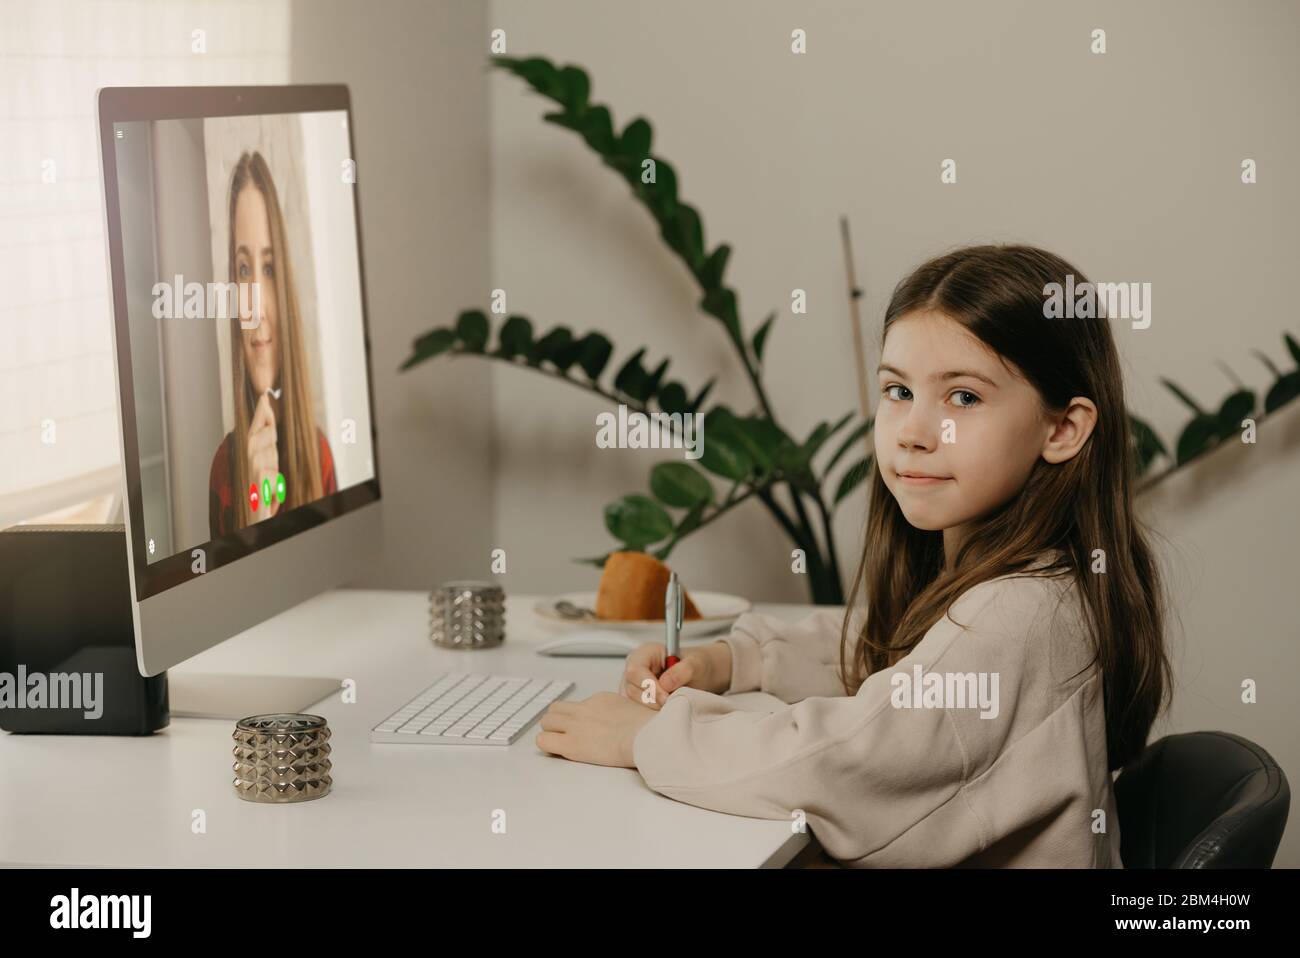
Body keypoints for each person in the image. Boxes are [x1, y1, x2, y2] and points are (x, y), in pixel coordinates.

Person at [534, 244, 1172, 868]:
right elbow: (884, 652)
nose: (915, 433)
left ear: (1062, 430)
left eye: (964, 398)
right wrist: (731, 660)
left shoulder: (1018, 613)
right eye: (898, 391)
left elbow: (845, 760)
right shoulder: (1031, 581)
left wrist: (643, 737)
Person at [209, 150, 335, 538]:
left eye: (268, 268)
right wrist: (257, 521)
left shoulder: (321, 456)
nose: (256, 306)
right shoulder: (223, 471)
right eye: (243, 270)